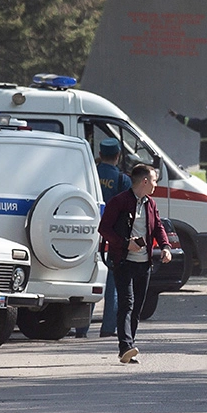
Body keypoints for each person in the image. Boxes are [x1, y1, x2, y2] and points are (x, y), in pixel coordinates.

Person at [98, 164, 171, 364]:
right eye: (154, 180)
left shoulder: (150, 204)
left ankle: (130, 346)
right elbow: (104, 228)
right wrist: (124, 244)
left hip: (144, 263)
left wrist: (165, 246)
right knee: (126, 304)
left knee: (137, 306)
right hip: (124, 262)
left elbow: (157, 227)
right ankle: (125, 347)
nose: (156, 184)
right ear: (145, 181)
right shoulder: (119, 202)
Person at [76, 138, 132, 339]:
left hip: (88, 235)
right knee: (113, 284)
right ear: (117, 156)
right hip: (112, 237)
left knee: (90, 280)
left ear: (100, 154)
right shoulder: (122, 180)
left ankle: (81, 329)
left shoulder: (88, 175)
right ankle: (108, 329)